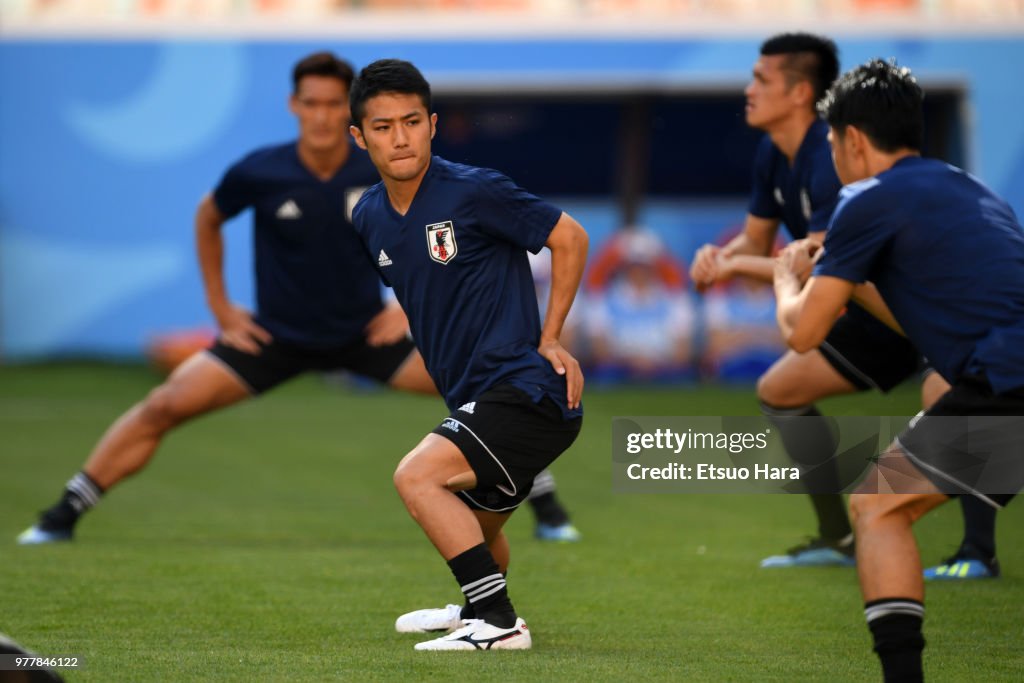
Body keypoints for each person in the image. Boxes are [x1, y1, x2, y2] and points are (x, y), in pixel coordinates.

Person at [16, 51, 578, 546]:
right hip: (276, 337)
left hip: (364, 337)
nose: (324, 115)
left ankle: (547, 509)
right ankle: (63, 512)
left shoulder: (392, 164)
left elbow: (424, 255)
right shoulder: (263, 171)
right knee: (165, 404)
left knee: (487, 393)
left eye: (335, 104)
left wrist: (398, 309)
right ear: (295, 106)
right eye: (312, 103)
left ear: (352, 118)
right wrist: (222, 307)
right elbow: (208, 217)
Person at [774, 58, 1024, 682]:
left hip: (1009, 378)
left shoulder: (865, 201)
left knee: (879, 508)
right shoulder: (967, 187)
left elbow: (803, 334)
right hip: (1003, 373)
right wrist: (849, 279)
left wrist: (786, 280)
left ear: (851, 139)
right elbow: (927, 319)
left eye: (830, 141)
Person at [347, 59, 588, 651]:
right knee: (477, 530)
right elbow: (430, 280)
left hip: (527, 390)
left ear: (432, 124)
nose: (399, 137)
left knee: (418, 477)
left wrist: (551, 336)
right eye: (382, 127)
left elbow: (570, 237)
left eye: (410, 122)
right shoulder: (368, 216)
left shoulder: (474, 189)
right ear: (359, 136)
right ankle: (476, 607)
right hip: (479, 396)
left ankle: (501, 624)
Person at [690, 32, 921, 568]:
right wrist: (719, 258)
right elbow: (757, 242)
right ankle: (839, 540)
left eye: (760, 79)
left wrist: (732, 264)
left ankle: (977, 550)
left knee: (952, 398)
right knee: (780, 391)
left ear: (799, 93)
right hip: (869, 311)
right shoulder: (774, 152)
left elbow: (818, 261)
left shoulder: (830, 155)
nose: (748, 90)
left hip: (908, 308)